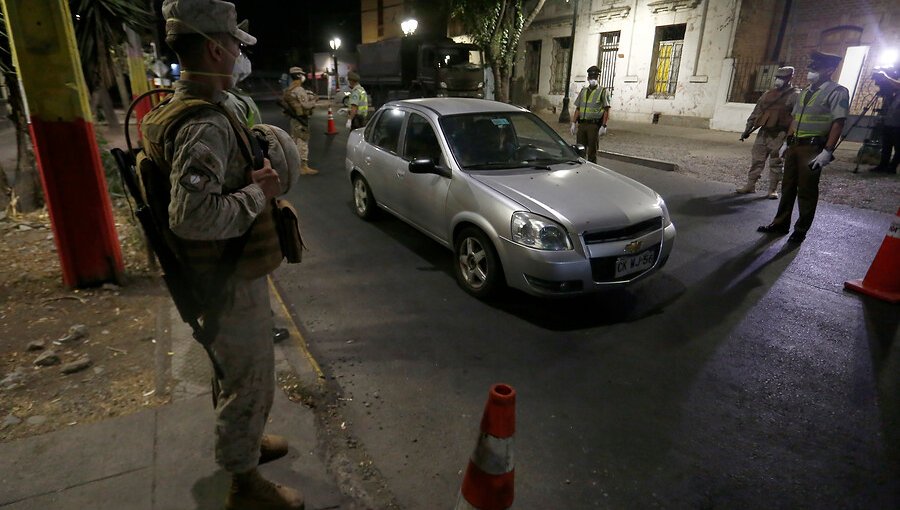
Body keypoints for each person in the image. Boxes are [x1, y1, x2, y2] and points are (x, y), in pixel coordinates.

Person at [146, 1, 304, 508]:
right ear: (215, 48)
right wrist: (260, 193)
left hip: (224, 274)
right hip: (228, 280)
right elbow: (190, 217)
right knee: (251, 379)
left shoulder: (182, 108)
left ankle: (246, 444)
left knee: (232, 373)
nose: (240, 54)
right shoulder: (205, 123)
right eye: (235, 45)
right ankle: (245, 483)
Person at [758, 51, 849, 243]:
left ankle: (800, 230)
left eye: (816, 69)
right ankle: (780, 223)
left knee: (807, 190)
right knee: (788, 186)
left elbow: (838, 122)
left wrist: (828, 150)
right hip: (795, 145)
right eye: (811, 68)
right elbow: (795, 118)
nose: (811, 72)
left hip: (813, 147)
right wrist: (786, 142)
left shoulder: (837, 91)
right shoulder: (805, 92)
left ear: (830, 70)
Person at [736, 66, 799, 199]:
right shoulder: (767, 94)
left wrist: (790, 137)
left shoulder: (795, 95)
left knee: (776, 162)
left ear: (789, 78)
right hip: (764, 132)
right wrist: (747, 129)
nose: (778, 80)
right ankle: (750, 185)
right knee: (757, 159)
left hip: (780, 133)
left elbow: (796, 118)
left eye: (782, 78)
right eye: (778, 77)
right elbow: (757, 112)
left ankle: (772, 189)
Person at [570, 65, 611, 163]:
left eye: (595, 77)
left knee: (592, 151)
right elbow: (578, 108)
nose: (593, 79)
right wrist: (573, 123)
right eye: (591, 77)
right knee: (580, 150)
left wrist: (604, 125)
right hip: (582, 125)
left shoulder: (603, 91)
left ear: (598, 78)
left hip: (593, 125)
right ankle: (580, 169)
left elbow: (606, 109)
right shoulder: (583, 91)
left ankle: (591, 170)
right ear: (588, 78)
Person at [282, 66, 319, 176]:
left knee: (295, 141)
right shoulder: (299, 89)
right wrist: (314, 100)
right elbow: (305, 105)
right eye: (302, 74)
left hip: (294, 120)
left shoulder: (289, 89)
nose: (304, 77)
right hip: (301, 119)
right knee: (303, 142)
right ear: (299, 76)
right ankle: (303, 167)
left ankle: (294, 165)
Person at [871, 67, 900, 174]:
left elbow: (898, 84)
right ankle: (883, 165)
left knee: (898, 148)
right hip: (889, 122)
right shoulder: (894, 93)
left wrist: (885, 76)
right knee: (886, 146)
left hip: (898, 125)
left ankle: (892, 167)